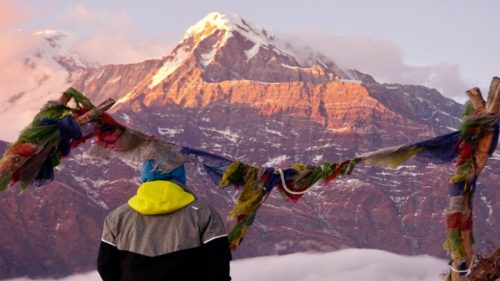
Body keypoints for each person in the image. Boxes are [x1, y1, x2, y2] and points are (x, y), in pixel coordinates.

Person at [97, 160, 232, 281]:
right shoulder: (204, 213)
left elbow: (106, 266)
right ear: (180, 175)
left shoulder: (117, 217)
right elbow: (219, 264)